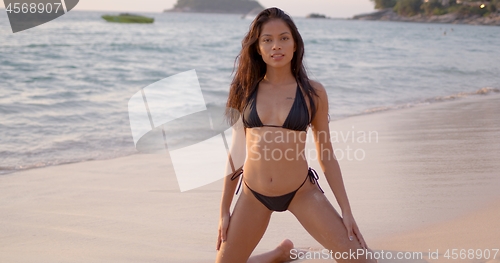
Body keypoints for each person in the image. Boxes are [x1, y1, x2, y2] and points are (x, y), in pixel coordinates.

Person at [215, 7, 376, 263]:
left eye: (283, 38)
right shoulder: (245, 90)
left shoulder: (313, 93)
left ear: (295, 44)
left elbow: (327, 154)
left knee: (363, 261)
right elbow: (236, 152)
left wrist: (346, 211)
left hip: (301, 192)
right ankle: (280, 253)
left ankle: (282, 252)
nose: (275, 46)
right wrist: (224, 210)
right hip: (252, 194)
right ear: (258, 47)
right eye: (267, 39)